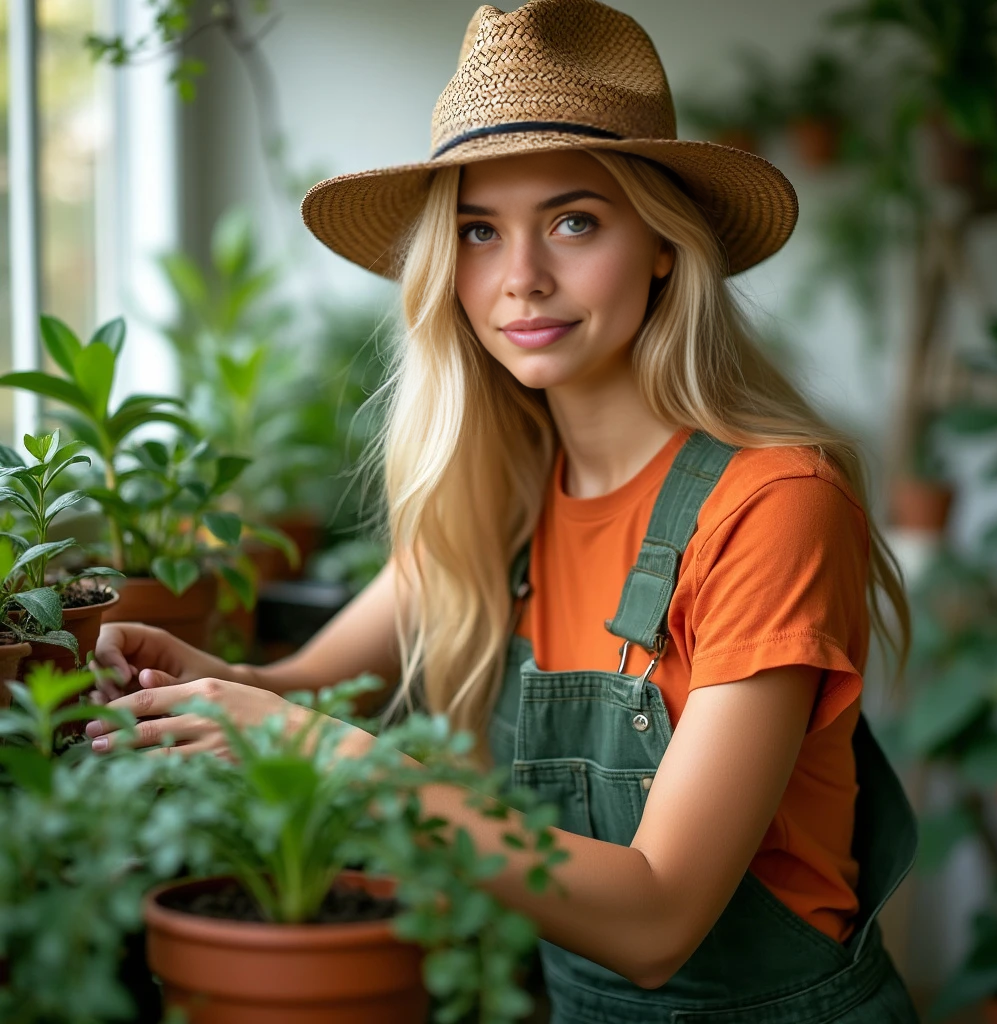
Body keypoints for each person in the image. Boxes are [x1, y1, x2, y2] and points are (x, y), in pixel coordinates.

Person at [86, 1, 920, 1020]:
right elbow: (304, 686)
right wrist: (210, 684)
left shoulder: (773, 505)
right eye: (478, 231)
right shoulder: (501, 490)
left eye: (574, 221)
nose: (519, 280)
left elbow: (659, 918)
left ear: (662, 244)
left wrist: (305, 744)